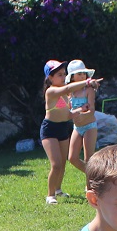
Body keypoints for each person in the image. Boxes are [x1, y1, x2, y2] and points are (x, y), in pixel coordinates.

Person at [41, 59, 101, 205]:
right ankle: (50, 195)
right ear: (50, 78)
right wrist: (87, 82)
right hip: (50, 129)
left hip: (62, 128)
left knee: (62, 163)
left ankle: (58, 189)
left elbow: (68, 114)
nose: (63, 77)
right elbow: (68, 89)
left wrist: (81, 110)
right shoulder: (52, 91)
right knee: (55, 164)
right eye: (59, 75)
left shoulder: (65, 95)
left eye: (64, 74)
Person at [65, 59, 99, 174]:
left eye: (84, 74)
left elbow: (92, 109)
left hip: (89, 126)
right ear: (72, 77)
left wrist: (84, 114)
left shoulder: (88, 90)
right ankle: (95, 175)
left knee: (88, 158)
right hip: (77, 128)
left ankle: (89, 187)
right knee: (72, 158)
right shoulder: (70, 93)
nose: (83, 76)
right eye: (79, 74)